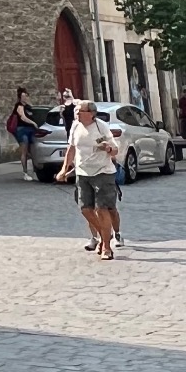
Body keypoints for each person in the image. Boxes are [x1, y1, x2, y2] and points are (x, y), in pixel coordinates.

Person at [58, 100, 122, 259]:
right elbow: (71, 148)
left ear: (91, 114)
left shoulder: (101, 127)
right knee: (85, 209)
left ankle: (107, 247)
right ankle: (104, 235)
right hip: (82, 172)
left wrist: (108, 148)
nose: (77, 113)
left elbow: (115, 150)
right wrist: (64, 169)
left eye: (80, 111)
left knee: (102, 209)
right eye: (76, 111)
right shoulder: (75, 126)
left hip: (103, 171)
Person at [6, 88, 43, 182]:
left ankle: (35, 171)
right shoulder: (19, 106)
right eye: (23, 96)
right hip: (22, 130)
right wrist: (33, 123)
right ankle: (25, 173)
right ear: (20, 97)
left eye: (26, 95)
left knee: (33, 151)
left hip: (31, 130)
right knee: (24, 151)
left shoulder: (29, 106)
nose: (25, 98)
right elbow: (23, 117)